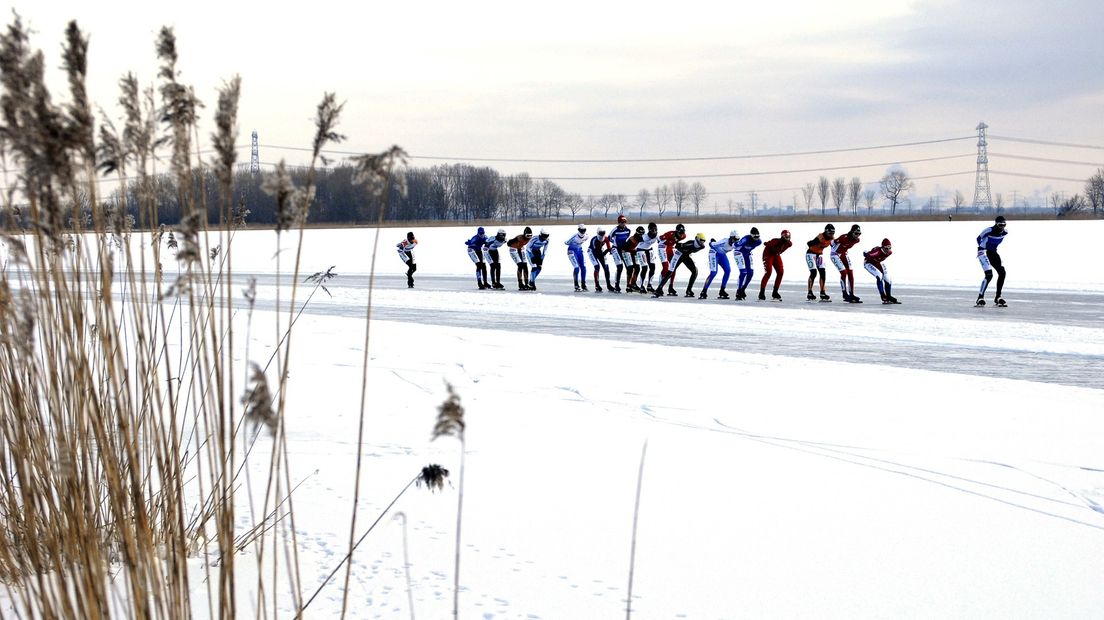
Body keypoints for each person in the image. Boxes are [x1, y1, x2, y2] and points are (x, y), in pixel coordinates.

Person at [653, 232, 707, 298]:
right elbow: (677, 246)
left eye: (703, 241)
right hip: (678, 255)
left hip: (685, 256)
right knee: (670, 272)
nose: (702, 243)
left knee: (695, 271)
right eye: (701, 241)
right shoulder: (690, 243)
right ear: (697, 239)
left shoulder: (702, 247)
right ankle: (659, 289)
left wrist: (687, 252)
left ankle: (689, 290)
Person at [976, 215, 1009, 307]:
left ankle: (998, 297)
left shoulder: (1005, 232)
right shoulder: (989, 230)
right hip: (983, 252)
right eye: (1000, 224)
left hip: (993, 252)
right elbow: (978, 238)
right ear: (996, 224)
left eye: (1004, 224)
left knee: (1002, 272)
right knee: (989, 275)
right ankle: (980, 298)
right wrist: (982, 248)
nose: (1002, 226)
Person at [700, 229, 739, 299]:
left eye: (737, 239)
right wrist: (712, 242)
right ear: (731, 238)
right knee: (713, 273)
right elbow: (711, 244)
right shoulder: (724, 241)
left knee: (728, 270)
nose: (736, 241)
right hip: (714, 253)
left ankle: (722, 290)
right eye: (735, 239)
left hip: (722, 255)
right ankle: (704, 291)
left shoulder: (735, 244)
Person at [830, 224, 863, 303]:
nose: (857, 236)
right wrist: (835, 249)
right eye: (856, 233)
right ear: (851, 232)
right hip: (835, 254)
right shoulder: (843, 237)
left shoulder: (857, 240)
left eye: (859, 234)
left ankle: (851, 294)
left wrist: (844, 249)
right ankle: (844, 294)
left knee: (850, 272)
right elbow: (832, 243)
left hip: (844, 253)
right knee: (844, 273)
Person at [758, 230, 792, 301]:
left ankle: (775, 292)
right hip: (768, 254)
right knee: (768, 273)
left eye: (788, 237)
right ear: (782, 237)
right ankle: (761, 293)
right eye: (786, 237)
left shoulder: (789, 243)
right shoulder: (776, 241)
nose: (787, 239)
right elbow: (766, 243)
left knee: (780, 272)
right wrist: (771, 244)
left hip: (776, 255)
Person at [863, 238, 898, 304]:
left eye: (889, 248)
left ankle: (888, 296)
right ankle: (883, 295)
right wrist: (866, 253)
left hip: (877, 263)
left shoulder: (890, 252)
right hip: (868, 263)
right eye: (886, 248)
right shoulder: (877, 252)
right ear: (882, 247)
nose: (888, 250)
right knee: (879, 276)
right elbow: (865, 253)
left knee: (888, 279)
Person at [805, 224, 835, 301]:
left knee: (822, 272)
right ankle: (809, 292)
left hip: (819, 254)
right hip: (811, 254)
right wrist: (814, 242)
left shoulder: (832, 238)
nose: (831, 235)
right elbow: (809, 243)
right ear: (825, 232)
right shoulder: (821, 237)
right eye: (830, 233)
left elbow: (834, 246)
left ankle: (822, 292)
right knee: (813, 272)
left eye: (833, 233)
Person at [732, 227, 763, 300]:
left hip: (747, 254)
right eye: (755, 237)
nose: (756, 238)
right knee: (743, 272)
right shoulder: (745, 239)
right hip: (739, 252)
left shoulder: (759, 242)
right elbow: (735, 245)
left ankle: (743, 289)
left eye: (758, 236)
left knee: (750, 272)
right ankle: (738, 290)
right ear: (751, 235)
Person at [658, 223, 687, 296]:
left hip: (670, 248)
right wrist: (662, 243)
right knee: (665, 267)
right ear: (676, 231)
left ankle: (671, 287)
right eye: (679, 233)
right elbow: (659, 238)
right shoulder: (670, 234)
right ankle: (660, 287)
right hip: (663, 247)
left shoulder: (684, 236)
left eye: (682, 233)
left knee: (673, 267)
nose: (681, 235)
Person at [609, 214, 632, 292]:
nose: (623, 224)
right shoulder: (614, 230)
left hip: (624, 250)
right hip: (616, 249)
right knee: (619, 268)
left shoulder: (628, 230)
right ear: (618, 222)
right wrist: (614, 243)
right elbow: (609, 238)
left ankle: (628, 286)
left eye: (624, 222)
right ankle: (616, 285)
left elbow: (627, 238)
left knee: (629, 267)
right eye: (621, 222)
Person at [587, 227, 614, 292]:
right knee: (597, 267)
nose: (602, 235)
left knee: (606, 268)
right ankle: (597, 285)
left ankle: (609, 285)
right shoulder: (594, 240)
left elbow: (609, 248)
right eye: (600, 233)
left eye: (603, 233)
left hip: (600, 251)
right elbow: (597, 253)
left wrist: (611, 250)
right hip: (592, 252)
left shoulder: (606, 238)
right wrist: (607, 250)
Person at [636, 222, 660, 292]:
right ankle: (642, 286)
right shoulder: (644, 237)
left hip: (649, 249)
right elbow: (636, 243)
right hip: (640, 249)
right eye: (652, 230)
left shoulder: (657, 235)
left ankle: (649, 285)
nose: (654, 231)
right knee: (644, 268)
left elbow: (661, 241)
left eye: (655, 229)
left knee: (652, 267)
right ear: (649, 230)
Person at [565, 223, 590, 292]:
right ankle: (576, 284)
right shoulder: (574, 237)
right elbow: (566, 242)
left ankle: (583, 284)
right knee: (576, 267)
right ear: (578, 230)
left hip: (579, 251)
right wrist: (574, 245)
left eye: (584, 230)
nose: (583, 232)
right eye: (581, 230)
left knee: (583, 267)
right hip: (572, 251)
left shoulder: (587, 236)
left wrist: (578, 245)